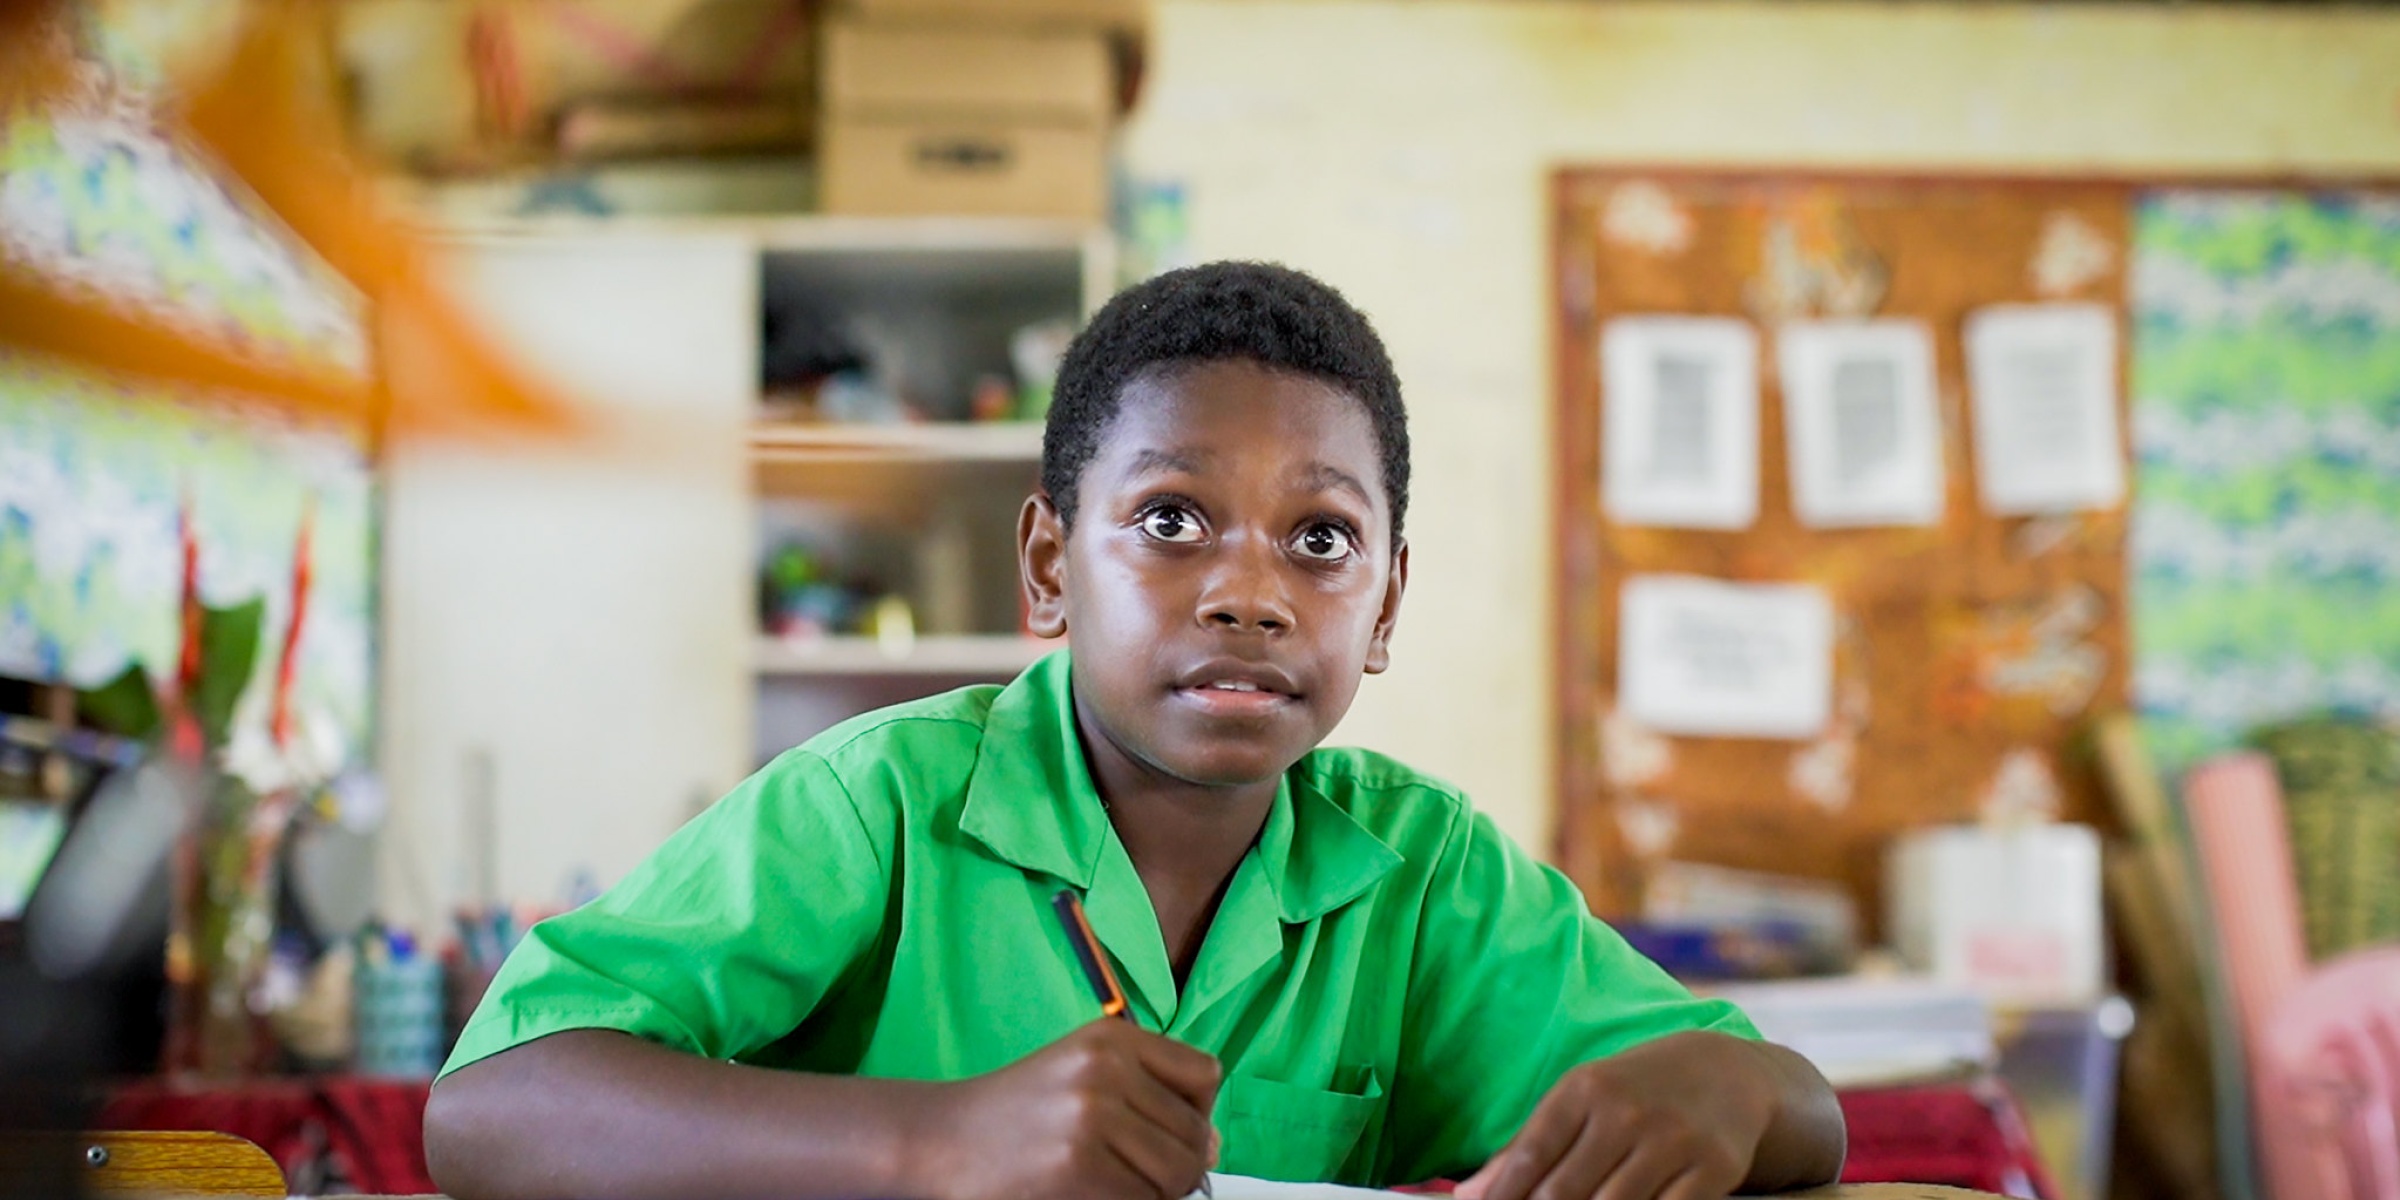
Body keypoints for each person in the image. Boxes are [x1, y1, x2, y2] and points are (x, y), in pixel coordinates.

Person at [423, 262, 1846, 1200]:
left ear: (1387, 602)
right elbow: (489, 1110)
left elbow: (1805, 1118)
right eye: (1172, 521)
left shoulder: (1421, 873)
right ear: (1048, 568)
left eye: (1322, 539)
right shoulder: (880, 806)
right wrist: (936, 1144)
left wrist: (1727, 1083)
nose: (1248, 593)